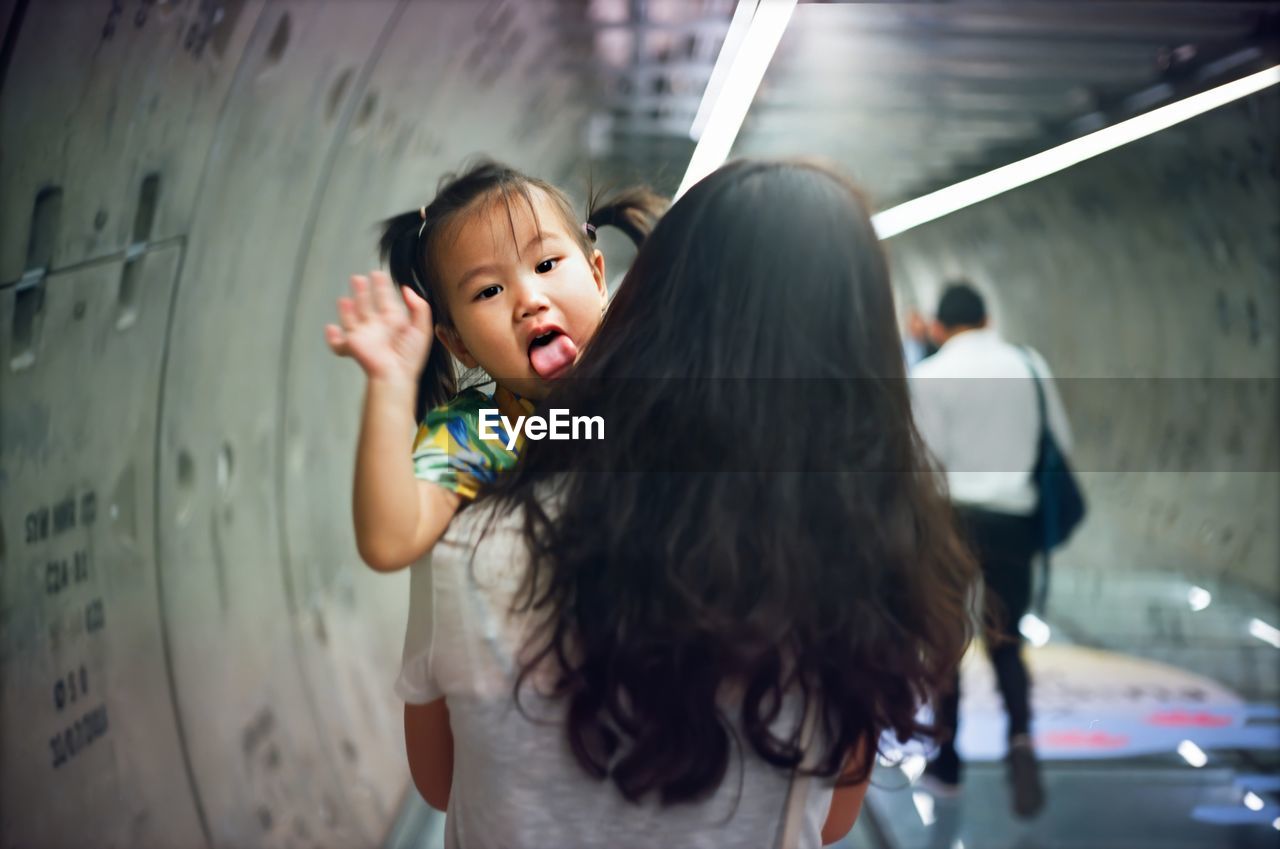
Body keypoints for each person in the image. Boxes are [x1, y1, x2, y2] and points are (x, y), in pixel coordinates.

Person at [397, 159, 979, 847]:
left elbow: (439, 778)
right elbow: (834, 818)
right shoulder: (849, 565)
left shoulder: (468, 533)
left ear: (644, 300)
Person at [324, 159, 665, 572]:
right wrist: (390, 384)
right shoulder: (482, 433)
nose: (529, 300)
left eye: (545, 265)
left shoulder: (655, 379)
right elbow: (390, 542)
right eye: (489, 291)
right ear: (458, 344)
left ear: (597, 280)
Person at [910, 281, 1073, 818]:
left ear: (941, 326)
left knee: (947, 640)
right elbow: (1060, 445)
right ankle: (1021, 742)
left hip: (952, 521)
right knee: (1006, 640)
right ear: (986, 318)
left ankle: (948, 759)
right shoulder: (1029, 366)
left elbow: (922, 463)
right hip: (1014, 522)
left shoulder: (929, 376)